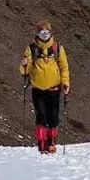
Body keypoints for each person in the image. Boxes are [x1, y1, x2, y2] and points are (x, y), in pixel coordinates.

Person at [19, 19, 70, 154]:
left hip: (54, 88)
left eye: (47, 32)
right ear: (38, 33)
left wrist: (65, 83)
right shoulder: (31, 49)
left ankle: (51, 142)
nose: (45, 34)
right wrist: (24, 64)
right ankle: (42, 143)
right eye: (42, 32)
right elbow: (25, 71)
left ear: (50, 32)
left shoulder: (58, 48)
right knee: (41, 115)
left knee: (53, 116)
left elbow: (64, 67)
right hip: (38, 89)